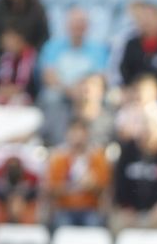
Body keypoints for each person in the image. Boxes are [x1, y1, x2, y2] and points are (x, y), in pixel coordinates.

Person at [38, 7, 110, 143]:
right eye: (75, 23)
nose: (78, 27)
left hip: (87, 90)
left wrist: (83, 88)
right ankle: (59, 143)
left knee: (98, 100)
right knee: (51, 98)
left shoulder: (98, 49)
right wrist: (69, 89)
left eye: (81, 23)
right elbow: (48, 75)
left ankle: (95, 143)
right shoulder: (53, 47)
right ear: (67, 25)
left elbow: (101, 76)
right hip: (63, 90)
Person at [111, 121, 157, 231]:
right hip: (130, 210)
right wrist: (125, 206)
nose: (146, 140)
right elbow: (118, 182)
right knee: (115, 225)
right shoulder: (128, 152)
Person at [46, 119, 111, 227]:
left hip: (90, 209)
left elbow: (104, 188)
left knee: (94, 224)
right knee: (63, 224)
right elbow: (52, 189)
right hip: (65, 208)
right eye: (74, 132)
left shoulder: (97, 157)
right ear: (68, 134)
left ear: (87, 134)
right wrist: (70, 185)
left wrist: (93, 185)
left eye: (81, 132)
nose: (78, 137)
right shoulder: (58, 158)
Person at [0, 26, 40, 107]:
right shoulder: (5, 57)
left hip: (25, 95)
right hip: (5, 92)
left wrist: (13, 90)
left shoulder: (31, 58)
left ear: (20, 40)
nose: (7, 44)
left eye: (10, 40)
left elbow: (27, 85)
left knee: (18, 101)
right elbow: (0, 82)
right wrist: (3, 90)